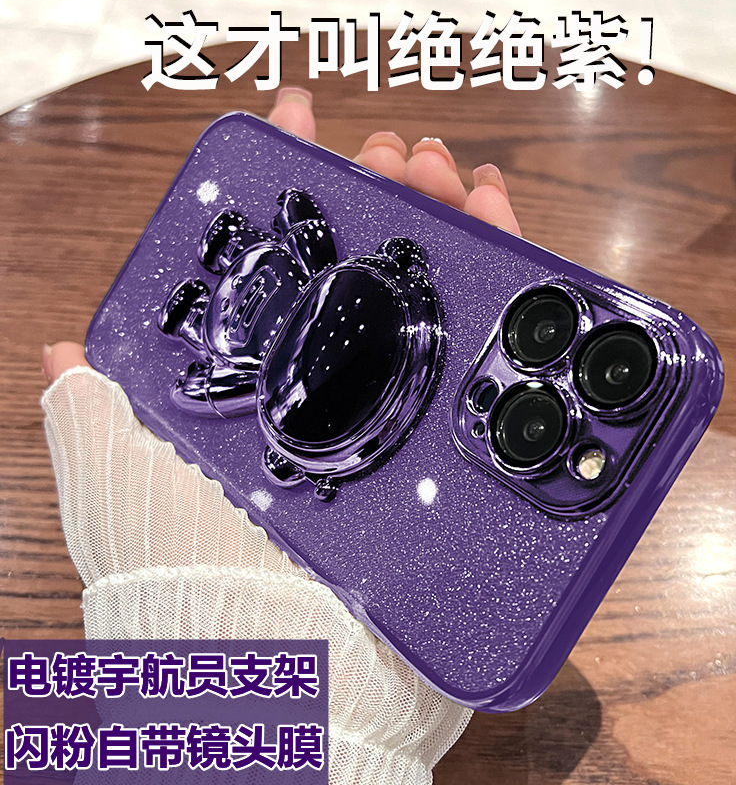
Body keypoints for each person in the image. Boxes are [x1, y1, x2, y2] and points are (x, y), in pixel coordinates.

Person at [41, 86, 522, 784]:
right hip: (326, 375)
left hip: (349, 336)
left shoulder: (294, 285)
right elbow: (209, 386)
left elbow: (303, 222)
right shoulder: (257, 374)